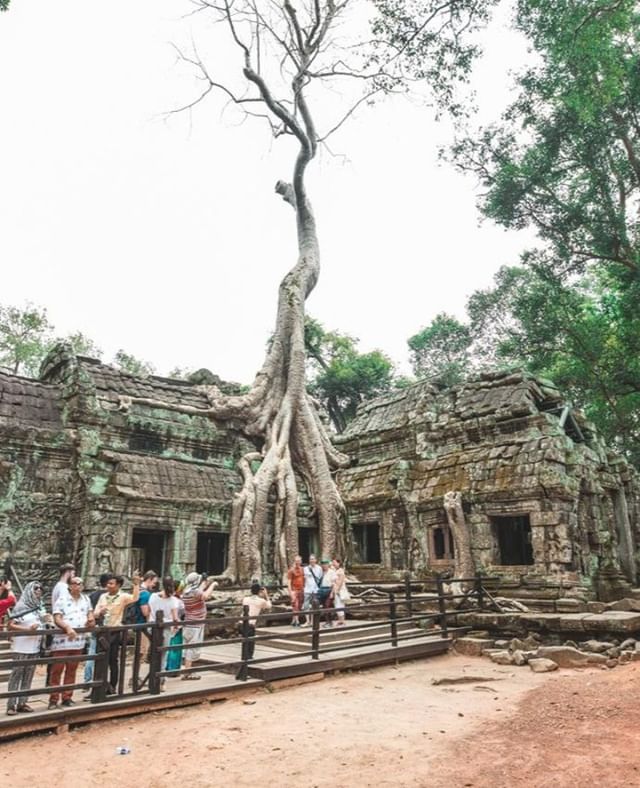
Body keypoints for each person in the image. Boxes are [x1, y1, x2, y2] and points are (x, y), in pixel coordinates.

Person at [49, 576, 94, 709]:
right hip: (63, 640)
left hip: (78, 640)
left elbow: (90, 613)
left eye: (80, 584)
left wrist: (91, 620)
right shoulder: (62, 600)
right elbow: (57, 618)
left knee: (72, 669)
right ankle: (53, 698)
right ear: (69, 586)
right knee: (57, 670)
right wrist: (67, 627)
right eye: (75, 583)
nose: (78, 586)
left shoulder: (86, 599)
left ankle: (67, 696)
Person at [6, 580, 50, 715]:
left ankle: (22, 702)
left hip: (34, 647)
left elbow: (41, 622)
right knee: (16, 675)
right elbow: (10, 625)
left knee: (28, 676)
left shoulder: (38, 607)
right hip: (21, 647)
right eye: (36, 589)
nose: (38, 591)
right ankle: (11, 705)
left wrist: (46, 621)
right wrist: (27, 629)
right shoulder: (21, 606)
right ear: (30, 590)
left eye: (40, 589)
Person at [93, 572, 141, 694]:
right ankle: (100, 685)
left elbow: (135, 598)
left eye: (111, 583)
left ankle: (113, 686)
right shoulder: (103, 596)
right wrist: (100, 612)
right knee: (100, 659)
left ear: (118, 585)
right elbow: (95, 612)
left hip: (115, 630)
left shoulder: (123, 597)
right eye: (108, 583)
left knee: (113, 660)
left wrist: (136, 584)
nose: (108, 586)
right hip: (103, 630)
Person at [180, 572, 218, 680]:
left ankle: (187, 670)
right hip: (195, 624)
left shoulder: (186, 592)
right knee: (191, 648)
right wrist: (213, 585)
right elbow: (205, 596)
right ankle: (187, 672)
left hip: (188, 623)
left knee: (188, 648)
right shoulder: (195, 592)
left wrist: (204, 583)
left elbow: (200, 591)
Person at [148, 576, 180, 677]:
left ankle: (152, 676)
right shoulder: (173, 600)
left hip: (152, 627)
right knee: (163, 654)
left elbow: (149, 611)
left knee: (154, 652)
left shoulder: (153, 596)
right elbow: (175, 618)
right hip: (165, 628)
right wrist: (177, 625)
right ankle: (160, 679)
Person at [83, 573, 111, 688]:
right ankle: (96, 679)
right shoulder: (107, 595)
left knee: (92, 652)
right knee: (99, 653)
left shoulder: (92, 595)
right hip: (103, 626)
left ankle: (88, 679)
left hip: (94, 625)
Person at [239, 582, 271, 661]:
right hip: (250, 625)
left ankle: (245, 657)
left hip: (241, 623)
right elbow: (269, 606)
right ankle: (248, 658)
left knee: (245, 641)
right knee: (250, 641)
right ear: (259, 591)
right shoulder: (261, 601)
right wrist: (266, 595)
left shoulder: (245, 599)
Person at [301, 554, 322, 626]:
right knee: (306, 605)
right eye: (310, 559)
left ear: (316, 560)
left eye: (313, 559)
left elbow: (320, 578)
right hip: (307, 589)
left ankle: (313, 621)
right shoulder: (305, 568)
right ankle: (307, 621)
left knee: (314, 606)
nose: (312, 560)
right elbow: (304, 578)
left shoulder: (319, 568)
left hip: (315, 589)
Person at [287, 555, 305, 627]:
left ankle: (293, 620)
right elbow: (289, 582)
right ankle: (297, 621)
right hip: (294, 590)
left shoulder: (302, 569)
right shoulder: (291, 570)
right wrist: (290, 591)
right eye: (296, 561)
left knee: (299, 606)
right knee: (295, 605)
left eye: (299, 561)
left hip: (301, 589)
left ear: (301, 561)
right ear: (294, 561)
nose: (298, 562)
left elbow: (304, 579)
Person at [319, 558, 337, 627]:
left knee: (328, 605)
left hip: (329, 590)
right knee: (324, 606)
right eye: (323, 564)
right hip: (322, 590)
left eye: (325, 564)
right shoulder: (321, 572)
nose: (324, 566)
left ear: (328, 565)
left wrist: (332, 592)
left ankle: (330, 622)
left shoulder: (331, 572)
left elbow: (334, 583)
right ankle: (327, 621)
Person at [331, 558, 348, 627]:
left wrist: (337, 590)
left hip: (339, 590)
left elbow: (341, 581)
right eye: (333, 563)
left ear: (338, 563)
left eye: (335, 562)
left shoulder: (340, 571)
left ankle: (342, 620)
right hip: (335, 589)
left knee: (340, 605)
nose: (333, 564)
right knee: (337, 605)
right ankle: (340, 620)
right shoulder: (334, 571)